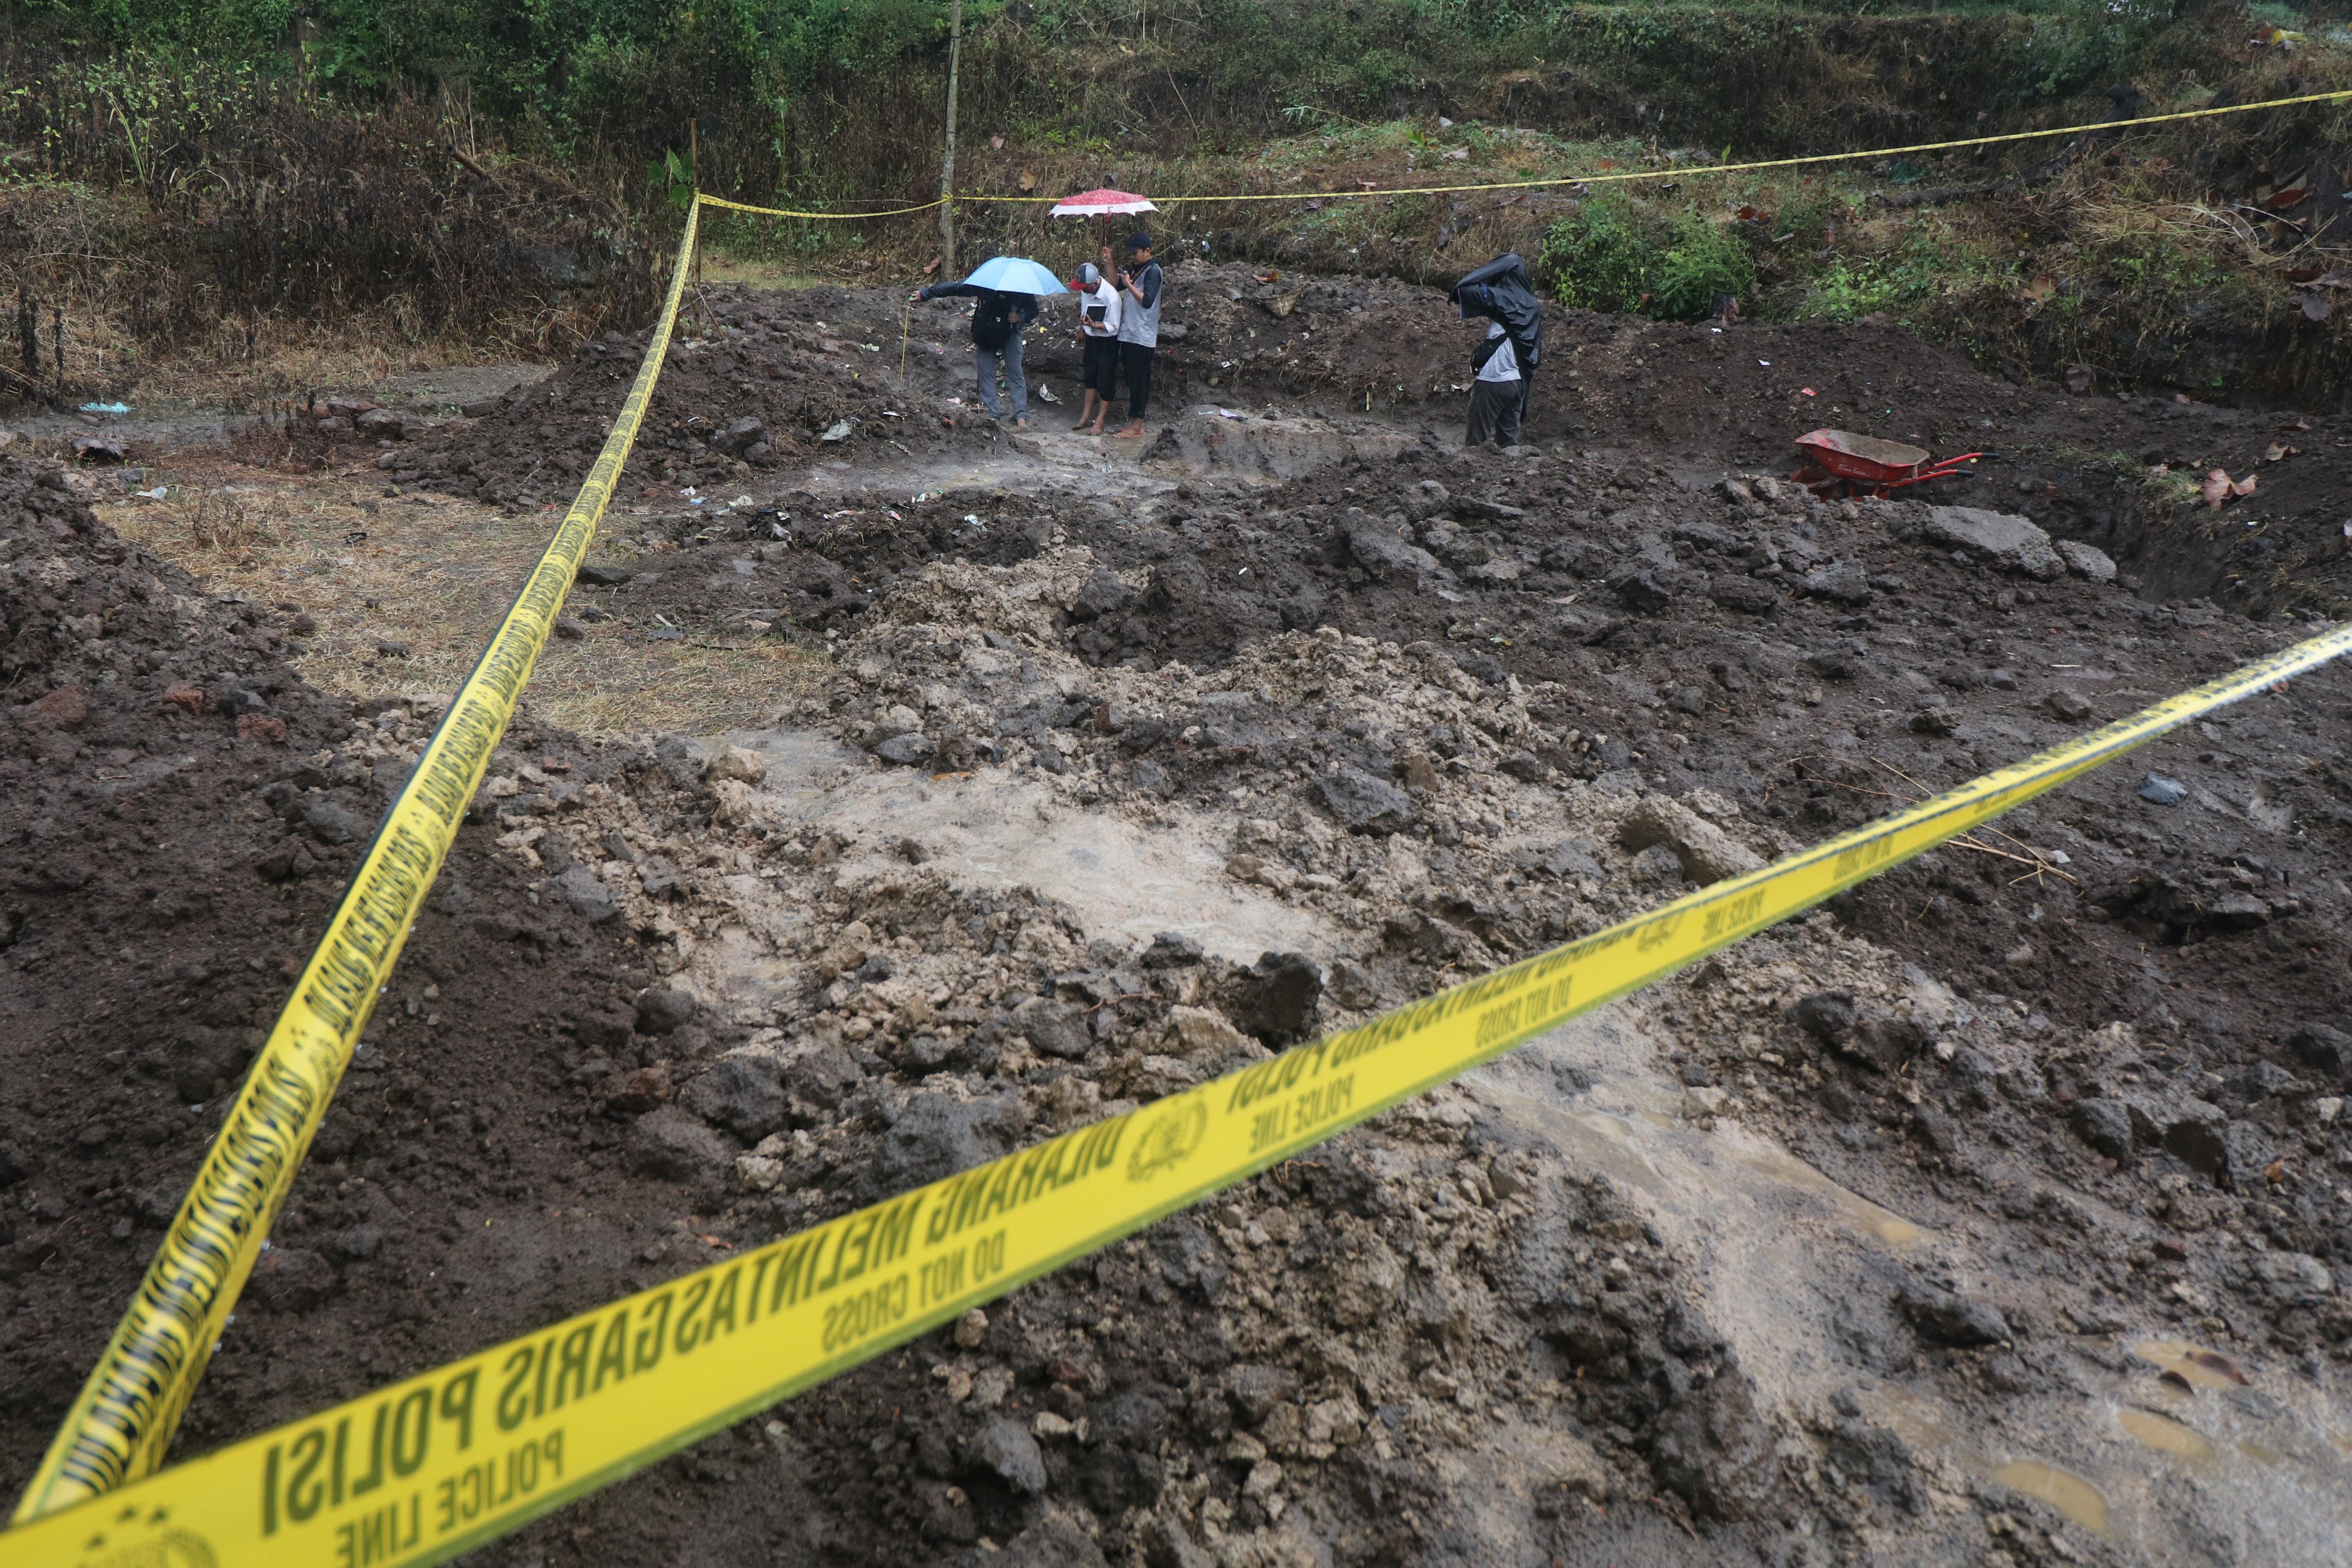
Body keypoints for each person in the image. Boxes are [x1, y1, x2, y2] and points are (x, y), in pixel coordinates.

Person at [916, 278, 1040, 427]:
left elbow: (1033, 310)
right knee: (986, 372)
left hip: (1010, 332)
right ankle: (992, 415)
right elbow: (955, 288)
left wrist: (1020, 318)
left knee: (1014, 372)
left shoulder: (1020, 288)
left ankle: (1021, 418)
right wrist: (926, 294)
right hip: (986, 332)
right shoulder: (986, 283)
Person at [1451, 253, 1542, 449]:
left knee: (1476, 441)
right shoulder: (1533, 305)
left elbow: (1464, 291)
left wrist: (1487, 278)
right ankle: (1509, 479)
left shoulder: (1500, 298)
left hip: (1494, 378)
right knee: (1508, 445)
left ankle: (1471, 476)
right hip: (1518, 383)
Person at [1104, 232, 1162, 440]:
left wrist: (1129, 284)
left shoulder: (1153, 271)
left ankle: (1137, 426)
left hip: (1142, 335)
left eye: (1136, 253)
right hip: (1128, 333)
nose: (1133, 257)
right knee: (1131, 379)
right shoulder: (1137, 270)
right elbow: (1115, 284)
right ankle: (1135, 423)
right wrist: (1109, 262)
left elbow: (1147, 301)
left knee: (1139, 381)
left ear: (1148, 251)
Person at [1071, 262, 1123, 434]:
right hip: (1092, 338)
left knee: (1105, 379)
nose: (1083, 290)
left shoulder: (1111, 297)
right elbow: (1084, 311)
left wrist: (1095, 324)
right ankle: (1085, 416)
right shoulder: (1086, 290)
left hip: (1108, 341)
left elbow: (1114, 326)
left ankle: (1100, 419)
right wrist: (1083, 330)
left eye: (1084, 287)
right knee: (1090, 376)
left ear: (1094, 284)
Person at [1466, 319, 1524, 448]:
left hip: (1493, 378)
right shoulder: (1528, 313)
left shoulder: (1500, 305)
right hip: (1517, 379)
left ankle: (1471, 466)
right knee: (1509, 442)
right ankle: (1509, 466)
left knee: (1476, 438)